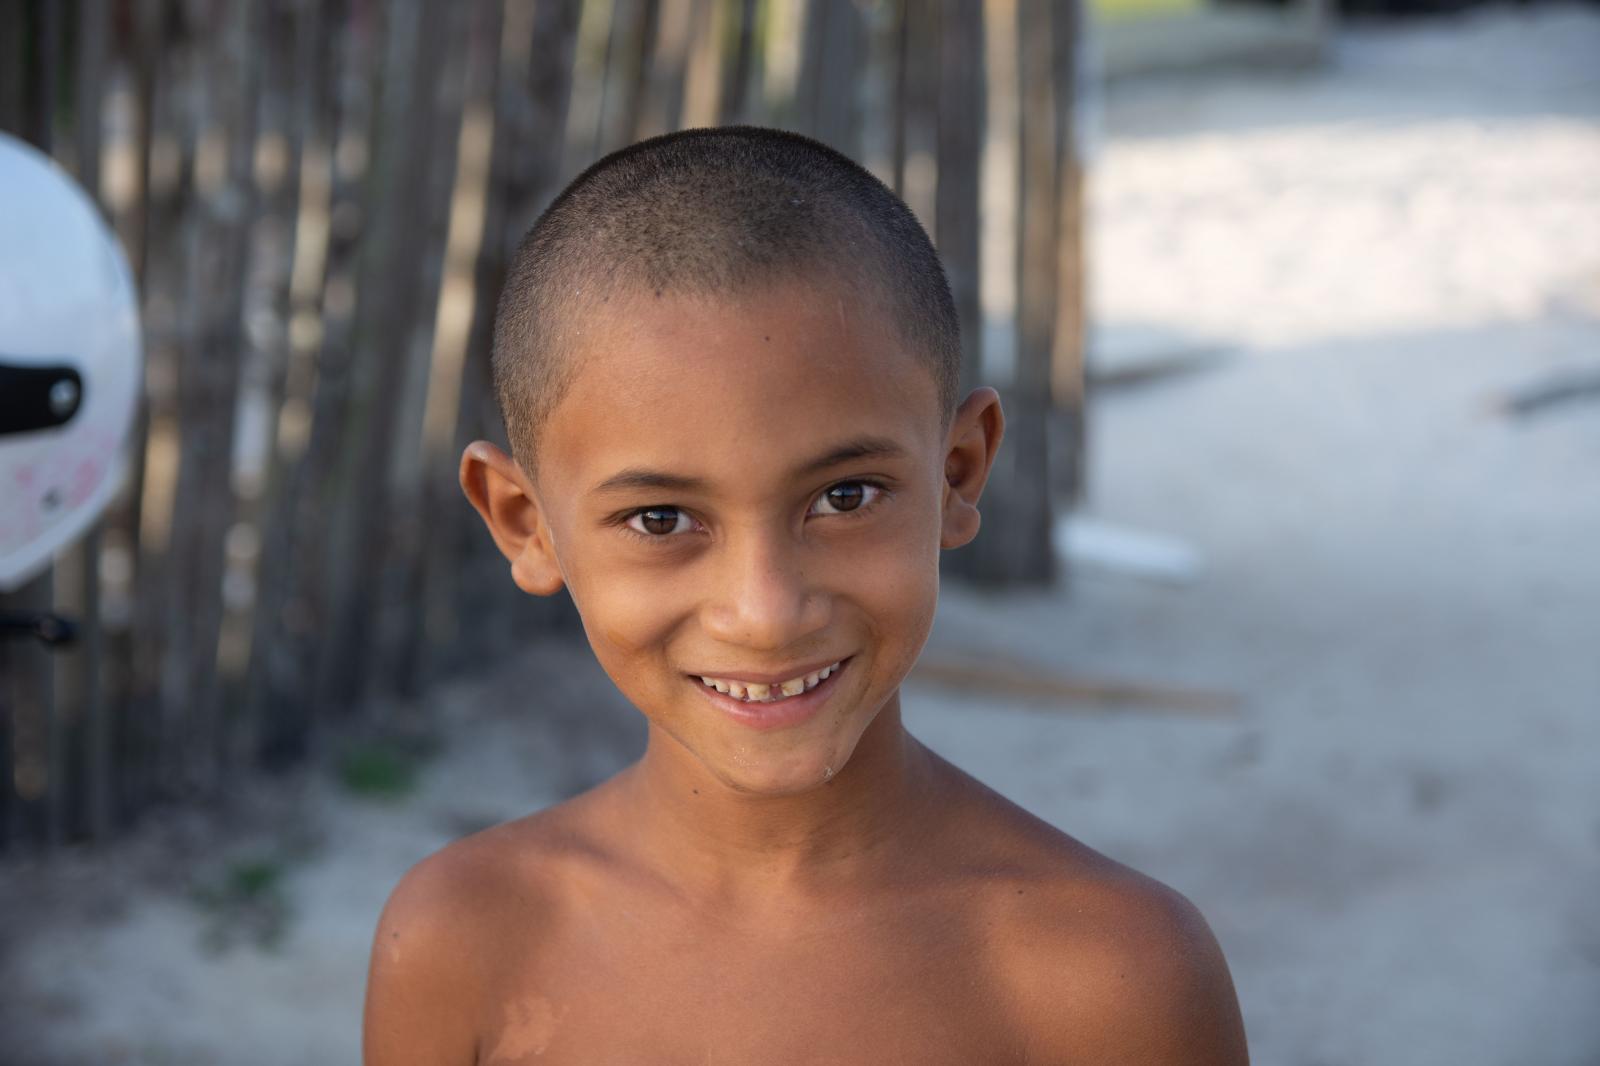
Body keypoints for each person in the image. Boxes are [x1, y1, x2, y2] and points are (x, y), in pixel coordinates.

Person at [362, 126, 1249, 1065]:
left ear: (958, 472)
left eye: (844, 497)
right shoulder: (463, 943)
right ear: (524, 523)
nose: (766, 610)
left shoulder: (1109, 980)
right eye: (662, 520)